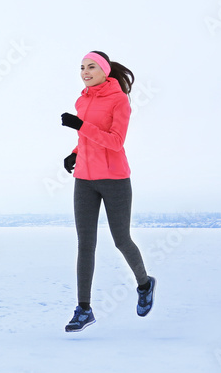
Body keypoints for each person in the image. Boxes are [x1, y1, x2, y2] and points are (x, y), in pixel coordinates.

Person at [60, 51, 154, 332]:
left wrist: (81, 126)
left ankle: (145, 283)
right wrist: (74, 153)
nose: (85, 72)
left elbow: (115, 141)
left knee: (121, 240)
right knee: (85, 244)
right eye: (81, 67)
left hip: (114, 180)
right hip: (85, 180)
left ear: (104, 71)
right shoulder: (82, 99)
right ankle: (84, 310)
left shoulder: (119, 100)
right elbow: (86, 138)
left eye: (91, 67)